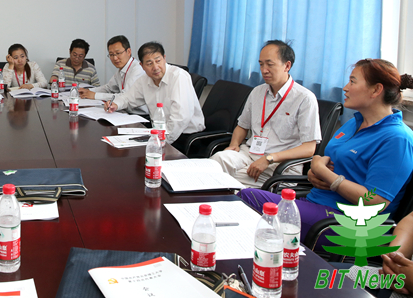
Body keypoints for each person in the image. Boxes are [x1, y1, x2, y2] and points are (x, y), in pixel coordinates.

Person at [239, 59, 413, 244]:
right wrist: (314, 174)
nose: (345, 88)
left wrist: (325, 174)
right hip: (318, 204)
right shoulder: (354, 123)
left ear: (376, 90)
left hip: (347, 223)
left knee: (247, 198)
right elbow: (331, 163)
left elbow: (375, 201)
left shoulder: (397, 138)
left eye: (353, 82)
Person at [210, 40, 321, 187]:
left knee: (223, 179)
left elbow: (309, 148)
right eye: (261, 64)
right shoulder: (257, 92)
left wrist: (269, 158)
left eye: (270, 64)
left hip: (279, 166)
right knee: (216, 162)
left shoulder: (304, 98)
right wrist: (234, 144)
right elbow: (242, 126)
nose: (264, 70)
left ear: (287, 66)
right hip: (249, 154)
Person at [105, 41, 205, 143]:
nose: (155, 67)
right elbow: (128, 98)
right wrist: (115, 104)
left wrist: (160, 141)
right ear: (142, 65)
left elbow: (180, 119)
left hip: (185, 137)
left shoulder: (179, 77)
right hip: (158, 132)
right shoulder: (144, 80)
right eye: (149, 64)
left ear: (164, 58)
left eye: (158, 61)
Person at [79, 35, 146, 113]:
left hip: (141, 116)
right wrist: (87, 91)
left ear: (128, 52)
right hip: (126, 112)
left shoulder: (138, 69)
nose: (115, 58)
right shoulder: (120, 70)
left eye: (118, 53)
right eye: (111, 54)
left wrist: (95, 95)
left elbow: (125, 96)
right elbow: (108, 88)